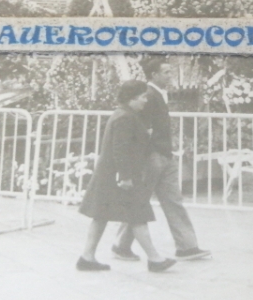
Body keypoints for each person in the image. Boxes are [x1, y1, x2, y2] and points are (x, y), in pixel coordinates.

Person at [112, 57, 211, 262]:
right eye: (166, 72)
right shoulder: (148, 96)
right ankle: (121, 246)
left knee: (172, 201)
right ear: (154, 75)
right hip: (153, 157)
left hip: (164, 156)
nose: (170, 76)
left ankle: (187, 246)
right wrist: (149, 153)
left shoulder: (156, 94)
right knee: (141, 202)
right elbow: (139, 128)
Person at [76, 81, 176, 273]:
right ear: (132, 98)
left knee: (102, 215)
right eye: (143, 97)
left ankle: (87, 257)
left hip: (110, 175)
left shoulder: (124, 114)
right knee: (137, 213)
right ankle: (154, 259)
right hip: (121, 177)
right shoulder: (126, 117)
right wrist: (125, 177)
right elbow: (120, 149)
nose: (146, 100)